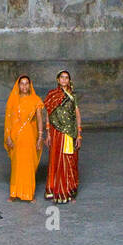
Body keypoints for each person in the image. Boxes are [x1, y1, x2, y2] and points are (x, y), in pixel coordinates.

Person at [3, 75, 45, 202]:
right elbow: (8, 120)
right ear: (18, 85)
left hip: (30, 136)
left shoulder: (35, 100)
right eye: (22, 84)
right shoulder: (13, 101)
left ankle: (29, 194)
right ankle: (14, 193)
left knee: (28, 164)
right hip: (16, 136)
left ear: (30, 85)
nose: (24, 86)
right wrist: (8, 136)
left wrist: (40, 137)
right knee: (16, 164)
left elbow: (39, 119)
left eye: (27, 83)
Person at [43, 69, 81, 204]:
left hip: (69, 132)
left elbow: (77, 114)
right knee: (56, 159)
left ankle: (68, 190)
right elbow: (48, 113)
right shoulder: (52, 95)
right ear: (58, 80)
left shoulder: (73, 96)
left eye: (66, 78)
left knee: (68, 160)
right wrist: (47, 132)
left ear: (69, 80)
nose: (64, 80)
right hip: (55, 132)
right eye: (62, 77)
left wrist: (79, 134)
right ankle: (54, 189)